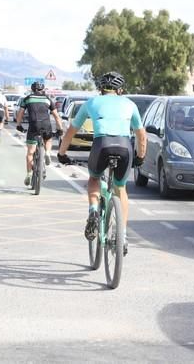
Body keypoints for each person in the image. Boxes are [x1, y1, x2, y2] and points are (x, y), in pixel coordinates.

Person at [57, 71, 147, 256]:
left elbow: (70, 132)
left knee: (94, 179)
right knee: (120, 188)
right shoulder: (130, 104)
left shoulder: (91, 103)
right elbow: (141, 135)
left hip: (101, 145)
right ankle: (122, 235)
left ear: (100, 89)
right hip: (124, 147)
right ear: (120, 89)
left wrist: (62, 153)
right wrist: (140, 157)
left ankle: (93, 211)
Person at [15, 82, 64, 186]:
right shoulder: (48, 99)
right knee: (48, 139)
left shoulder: (27, 99)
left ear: (32, 89)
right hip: (46, 124)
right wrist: (60, 129)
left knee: (30, 153)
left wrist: (19, 125)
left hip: (33, 125)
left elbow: (20, 113)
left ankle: (28, 174)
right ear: (43, 89)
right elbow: (56, 116)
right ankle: (47, 153)